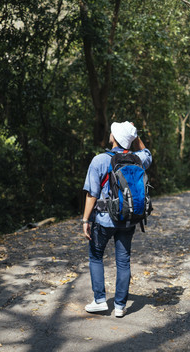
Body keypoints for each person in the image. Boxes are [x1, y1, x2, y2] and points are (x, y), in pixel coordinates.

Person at [82, 121, 152, 317]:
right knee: (123, 261)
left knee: (96, 256)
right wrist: (135, 136)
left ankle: (100, 300)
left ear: (113, 138)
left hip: (104, 220)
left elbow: (92, 194)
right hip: (128, 219)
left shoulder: (100, 160)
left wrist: (85, 220)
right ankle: (120, 306)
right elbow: (148, 154)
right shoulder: (138, 159)